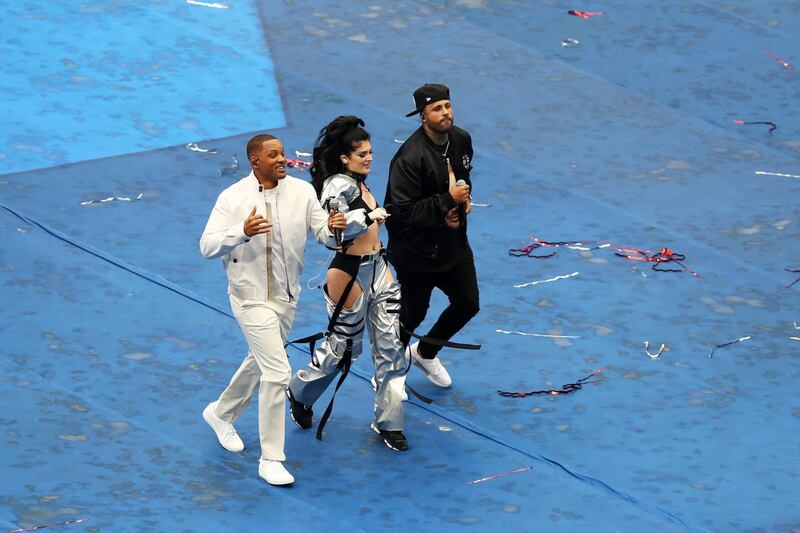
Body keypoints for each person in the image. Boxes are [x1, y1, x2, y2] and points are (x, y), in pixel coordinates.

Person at [199, 134, 345, 486]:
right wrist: (241, 231)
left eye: (283, 153)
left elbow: (322, 233)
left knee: (261, 360)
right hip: (249, 298)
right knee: (278, 372)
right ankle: (271, 459)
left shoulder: (302, 192)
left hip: (287, 295)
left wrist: (333, 229)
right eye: (274, 155)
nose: (282, 159)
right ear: (255, 162)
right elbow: (207, 246)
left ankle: (220, 413)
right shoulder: (233, 198)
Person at [286, 116, 410, 452]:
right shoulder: (337, 186)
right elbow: (333, 235)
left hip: (379, 269)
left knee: (392, 350)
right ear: (344, 157)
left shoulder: (362, 183)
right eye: (362, 154)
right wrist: (368, 217)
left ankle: (390, 422)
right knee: (343, 351)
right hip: (350, 273)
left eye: (370, 152)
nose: (370, 158)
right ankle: (300, 391)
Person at [383, 83, 480, 388]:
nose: (445, 113)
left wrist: (463, 202)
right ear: (422, 116)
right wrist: (446, 202)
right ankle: (388, 372)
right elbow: (401, 212)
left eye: (447, 106)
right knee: (412, 316)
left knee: (467, 304)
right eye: (437, 108)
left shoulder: (461, 139)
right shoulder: (409, 158)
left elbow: (463, 180)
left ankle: (425, 352)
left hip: (453, 245)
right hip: (416, 253)